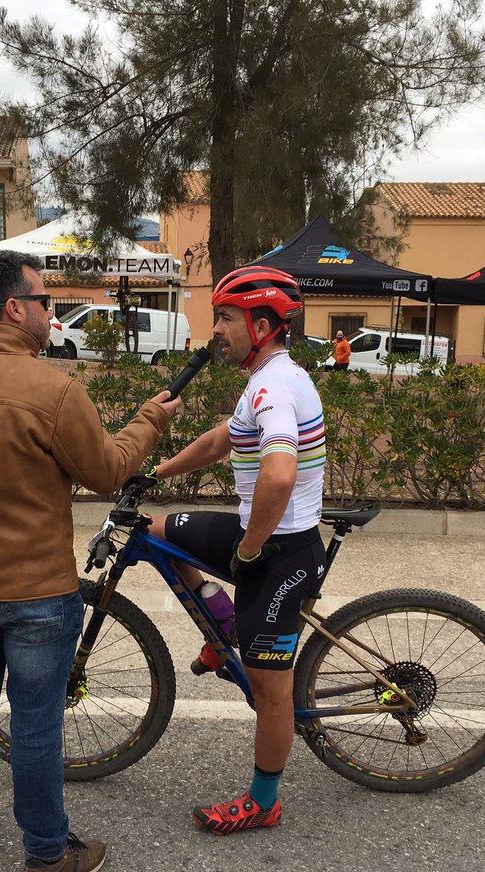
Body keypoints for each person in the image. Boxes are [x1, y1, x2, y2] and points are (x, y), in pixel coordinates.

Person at [0, 250, 179, 872]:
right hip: (39, 597)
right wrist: (152, 419)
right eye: (46, 300)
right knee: (35, 723)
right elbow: (108, 470)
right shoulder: (54, 389)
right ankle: (47, 858)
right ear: (15, 309)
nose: (53, 312)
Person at [129, 264, 326, 835]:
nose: (215, 329)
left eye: (225, 317)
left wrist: (249, 549)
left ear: (262, 324)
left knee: (270, 692)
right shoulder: (266, 378)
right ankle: (222, 620)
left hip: (281, 554)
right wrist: (157, 470)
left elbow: (281, 475)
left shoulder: (275, 387)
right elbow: (225, 437)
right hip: (260, 537)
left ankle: (263, 802)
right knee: (158, 532)